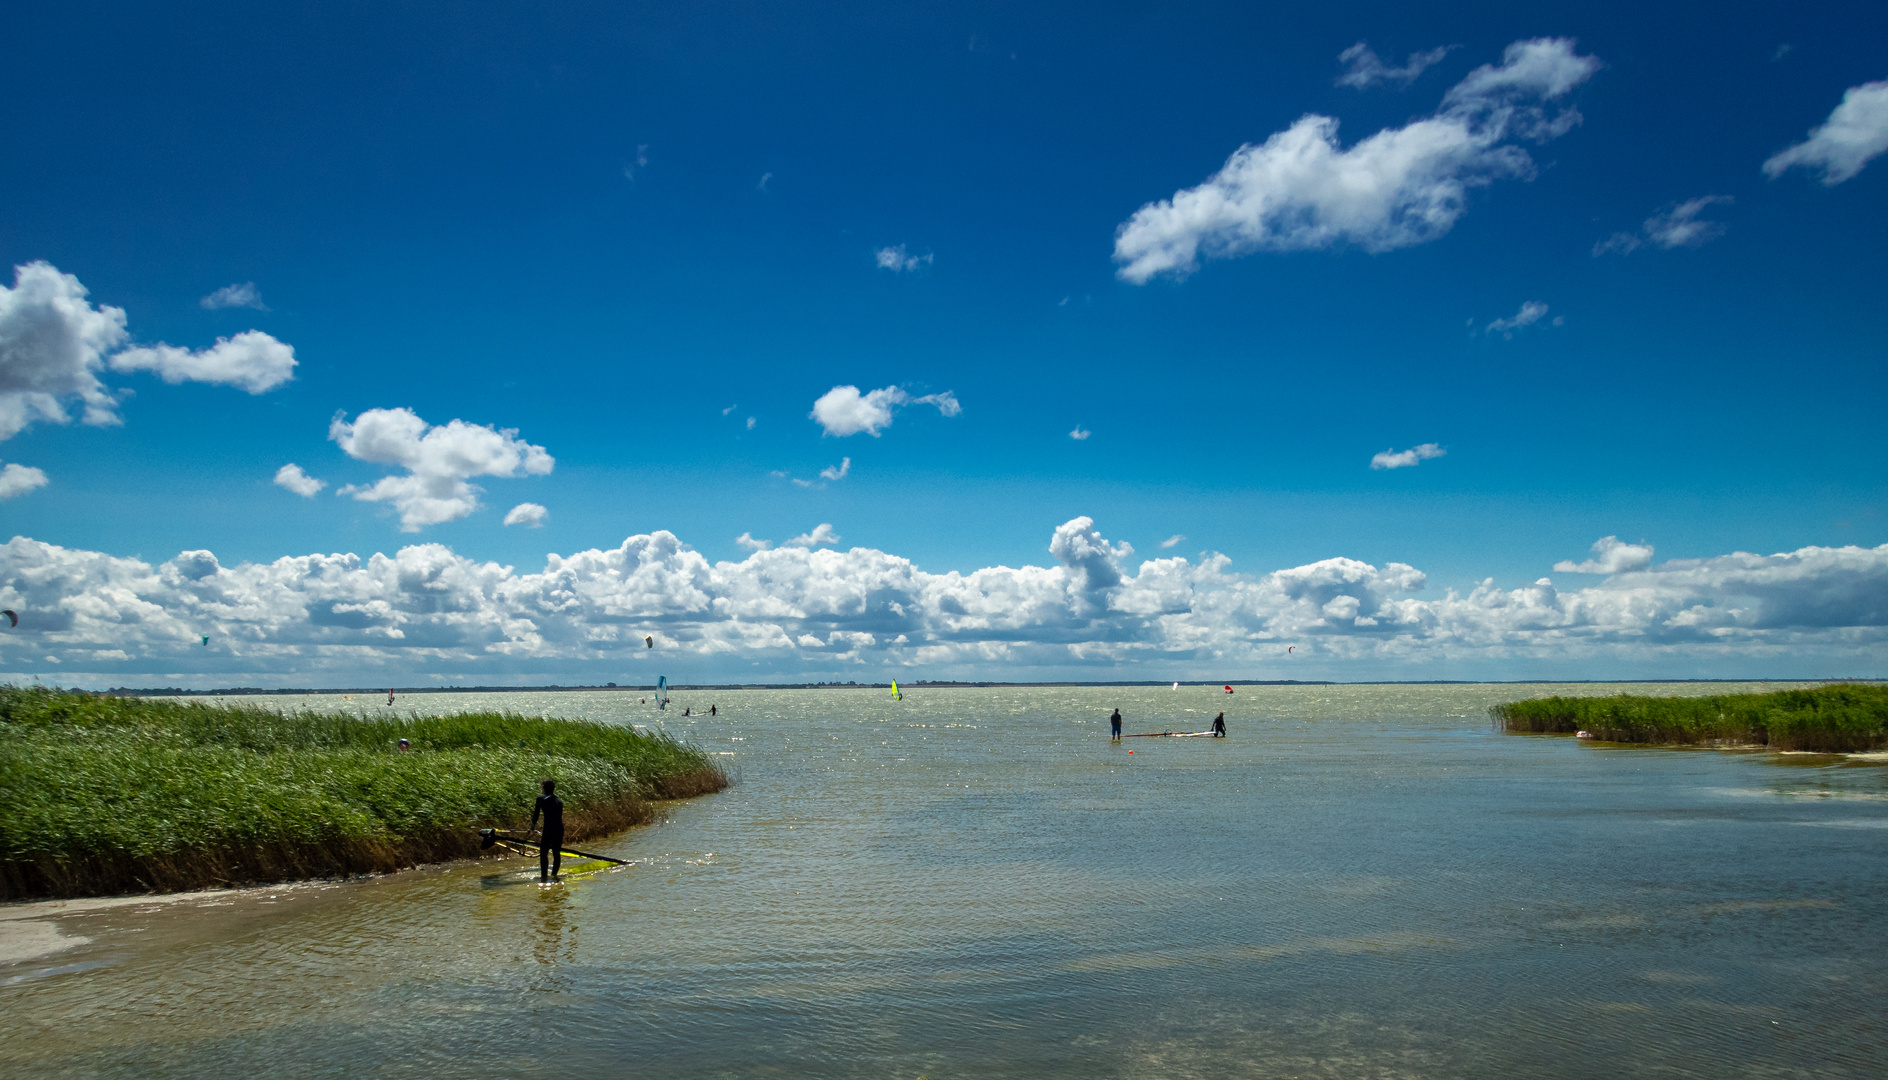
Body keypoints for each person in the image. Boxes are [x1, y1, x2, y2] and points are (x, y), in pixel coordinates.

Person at [529, 778, 565, 883]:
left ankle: (544, 877)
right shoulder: (559, 800)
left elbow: (536, 814)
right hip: (559, 829)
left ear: (544, 789)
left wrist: (532, 827)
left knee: (544, 853)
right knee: (556, 852)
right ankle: (554, 876)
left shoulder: (541, 799)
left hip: (549, 829)